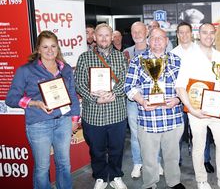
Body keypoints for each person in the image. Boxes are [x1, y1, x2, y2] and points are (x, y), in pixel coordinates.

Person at [6, 30, 80, 189]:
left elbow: (72, 95)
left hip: (63, 122)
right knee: (42, 168)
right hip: (39, 125)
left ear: (58, 48)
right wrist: (35, 103)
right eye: (45, 47)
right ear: (38, 49)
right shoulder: (26, 70)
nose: (50, 50)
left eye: (53, 46)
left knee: (64, 164)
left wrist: (74, 120)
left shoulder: (65, 68)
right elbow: (11, 99)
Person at [125, 27, 185, 189]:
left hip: (172, 117)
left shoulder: (177, 60)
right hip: (148, 118)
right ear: (148, 40)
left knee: (172, 156)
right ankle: (150, 183)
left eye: (161, 37)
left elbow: (185, 87)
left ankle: (174, 181)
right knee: (149, 158)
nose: (157, 41)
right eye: (153, 37)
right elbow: (129, 87)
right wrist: (142, 101)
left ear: (167, 41)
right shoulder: (137, 61)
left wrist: (178, 99)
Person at [176, 23, 220, 189]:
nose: (208, 36)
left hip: (218, 109)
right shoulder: (189, 56)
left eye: (211, 33)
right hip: (197, 110)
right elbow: (180, 86)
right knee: (199, 146)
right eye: (204, 33)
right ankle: (201, 180)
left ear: (215, 34)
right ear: (198, 34)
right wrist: (192, 110)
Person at [74, 23, 128, 189]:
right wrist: (94, 99)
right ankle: (100, 176)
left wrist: (114, 93)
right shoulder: (84, 57)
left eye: (107, 35)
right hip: (93, 114)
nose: (104, 38)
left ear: (112, 37)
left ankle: (116, 175)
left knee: (117, 148)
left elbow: (127, 80)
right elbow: (79, 83)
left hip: (116, 112)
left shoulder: (121, 57)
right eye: (100, 35)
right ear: (94, 38)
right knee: (96, 150)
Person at [171, 22, 214, 172]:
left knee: (203, 132)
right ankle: (177, 160)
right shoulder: (172, 54)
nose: (184, 35)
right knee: (177, 132)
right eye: (180, 32)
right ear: (177, 35)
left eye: (187, 32)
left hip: (199, 99)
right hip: (179, 99)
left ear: (192, 34)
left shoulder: (202, 50)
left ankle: (205, 159)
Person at [123, 22, 163, 179]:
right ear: (131, 34)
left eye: (140, 31)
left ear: (147, 32)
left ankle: (156, 161)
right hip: (133, 100)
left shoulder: (155, 50)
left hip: (153, 97)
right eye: (134, 31)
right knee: (135, 133)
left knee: (155, 132)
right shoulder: (126, 53)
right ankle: (138, 162)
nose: (137, 34)